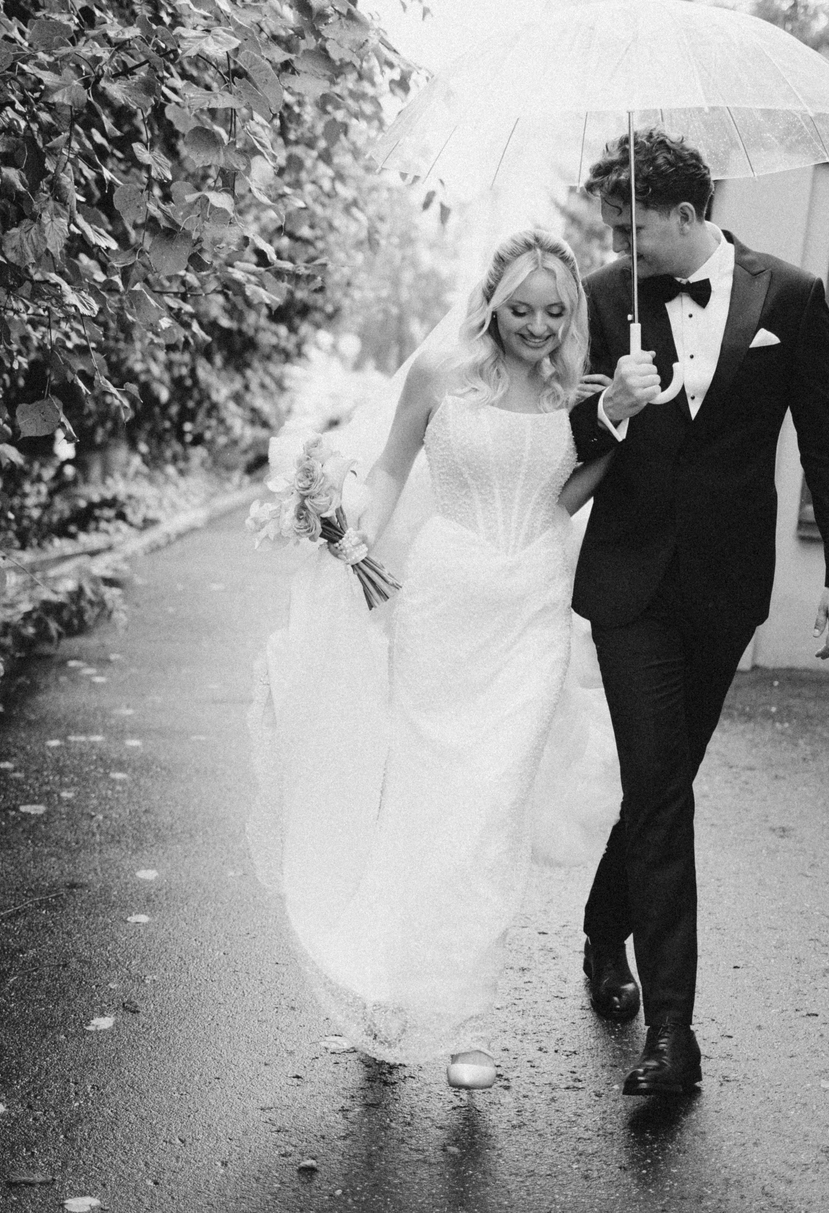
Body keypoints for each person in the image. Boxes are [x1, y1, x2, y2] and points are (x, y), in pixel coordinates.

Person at [250, 230, 610, 1091]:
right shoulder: (439, 375)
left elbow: (565, 495)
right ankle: (384, 987)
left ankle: (465, 1017)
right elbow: (389, 471)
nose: (537, 327)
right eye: (521, 309)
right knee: (421, 801)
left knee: (491, 809)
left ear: (572, 314)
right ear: (491, 302)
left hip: (531, 606)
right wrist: (353, 536)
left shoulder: (580, 394)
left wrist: (612, 433)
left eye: (555, 312)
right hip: (444, 607)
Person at [569, 127, 829, 1097]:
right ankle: (673, 1036)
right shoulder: (604, 296)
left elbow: (827, 437)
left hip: (726, 586)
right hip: (628, 585)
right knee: (664, 791)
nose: (623, 243)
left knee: (662, 780)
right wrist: (610, 408)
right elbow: (562, 437)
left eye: (636, 227)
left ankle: (603, 924)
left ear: (689, 213)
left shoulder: (791, 296)